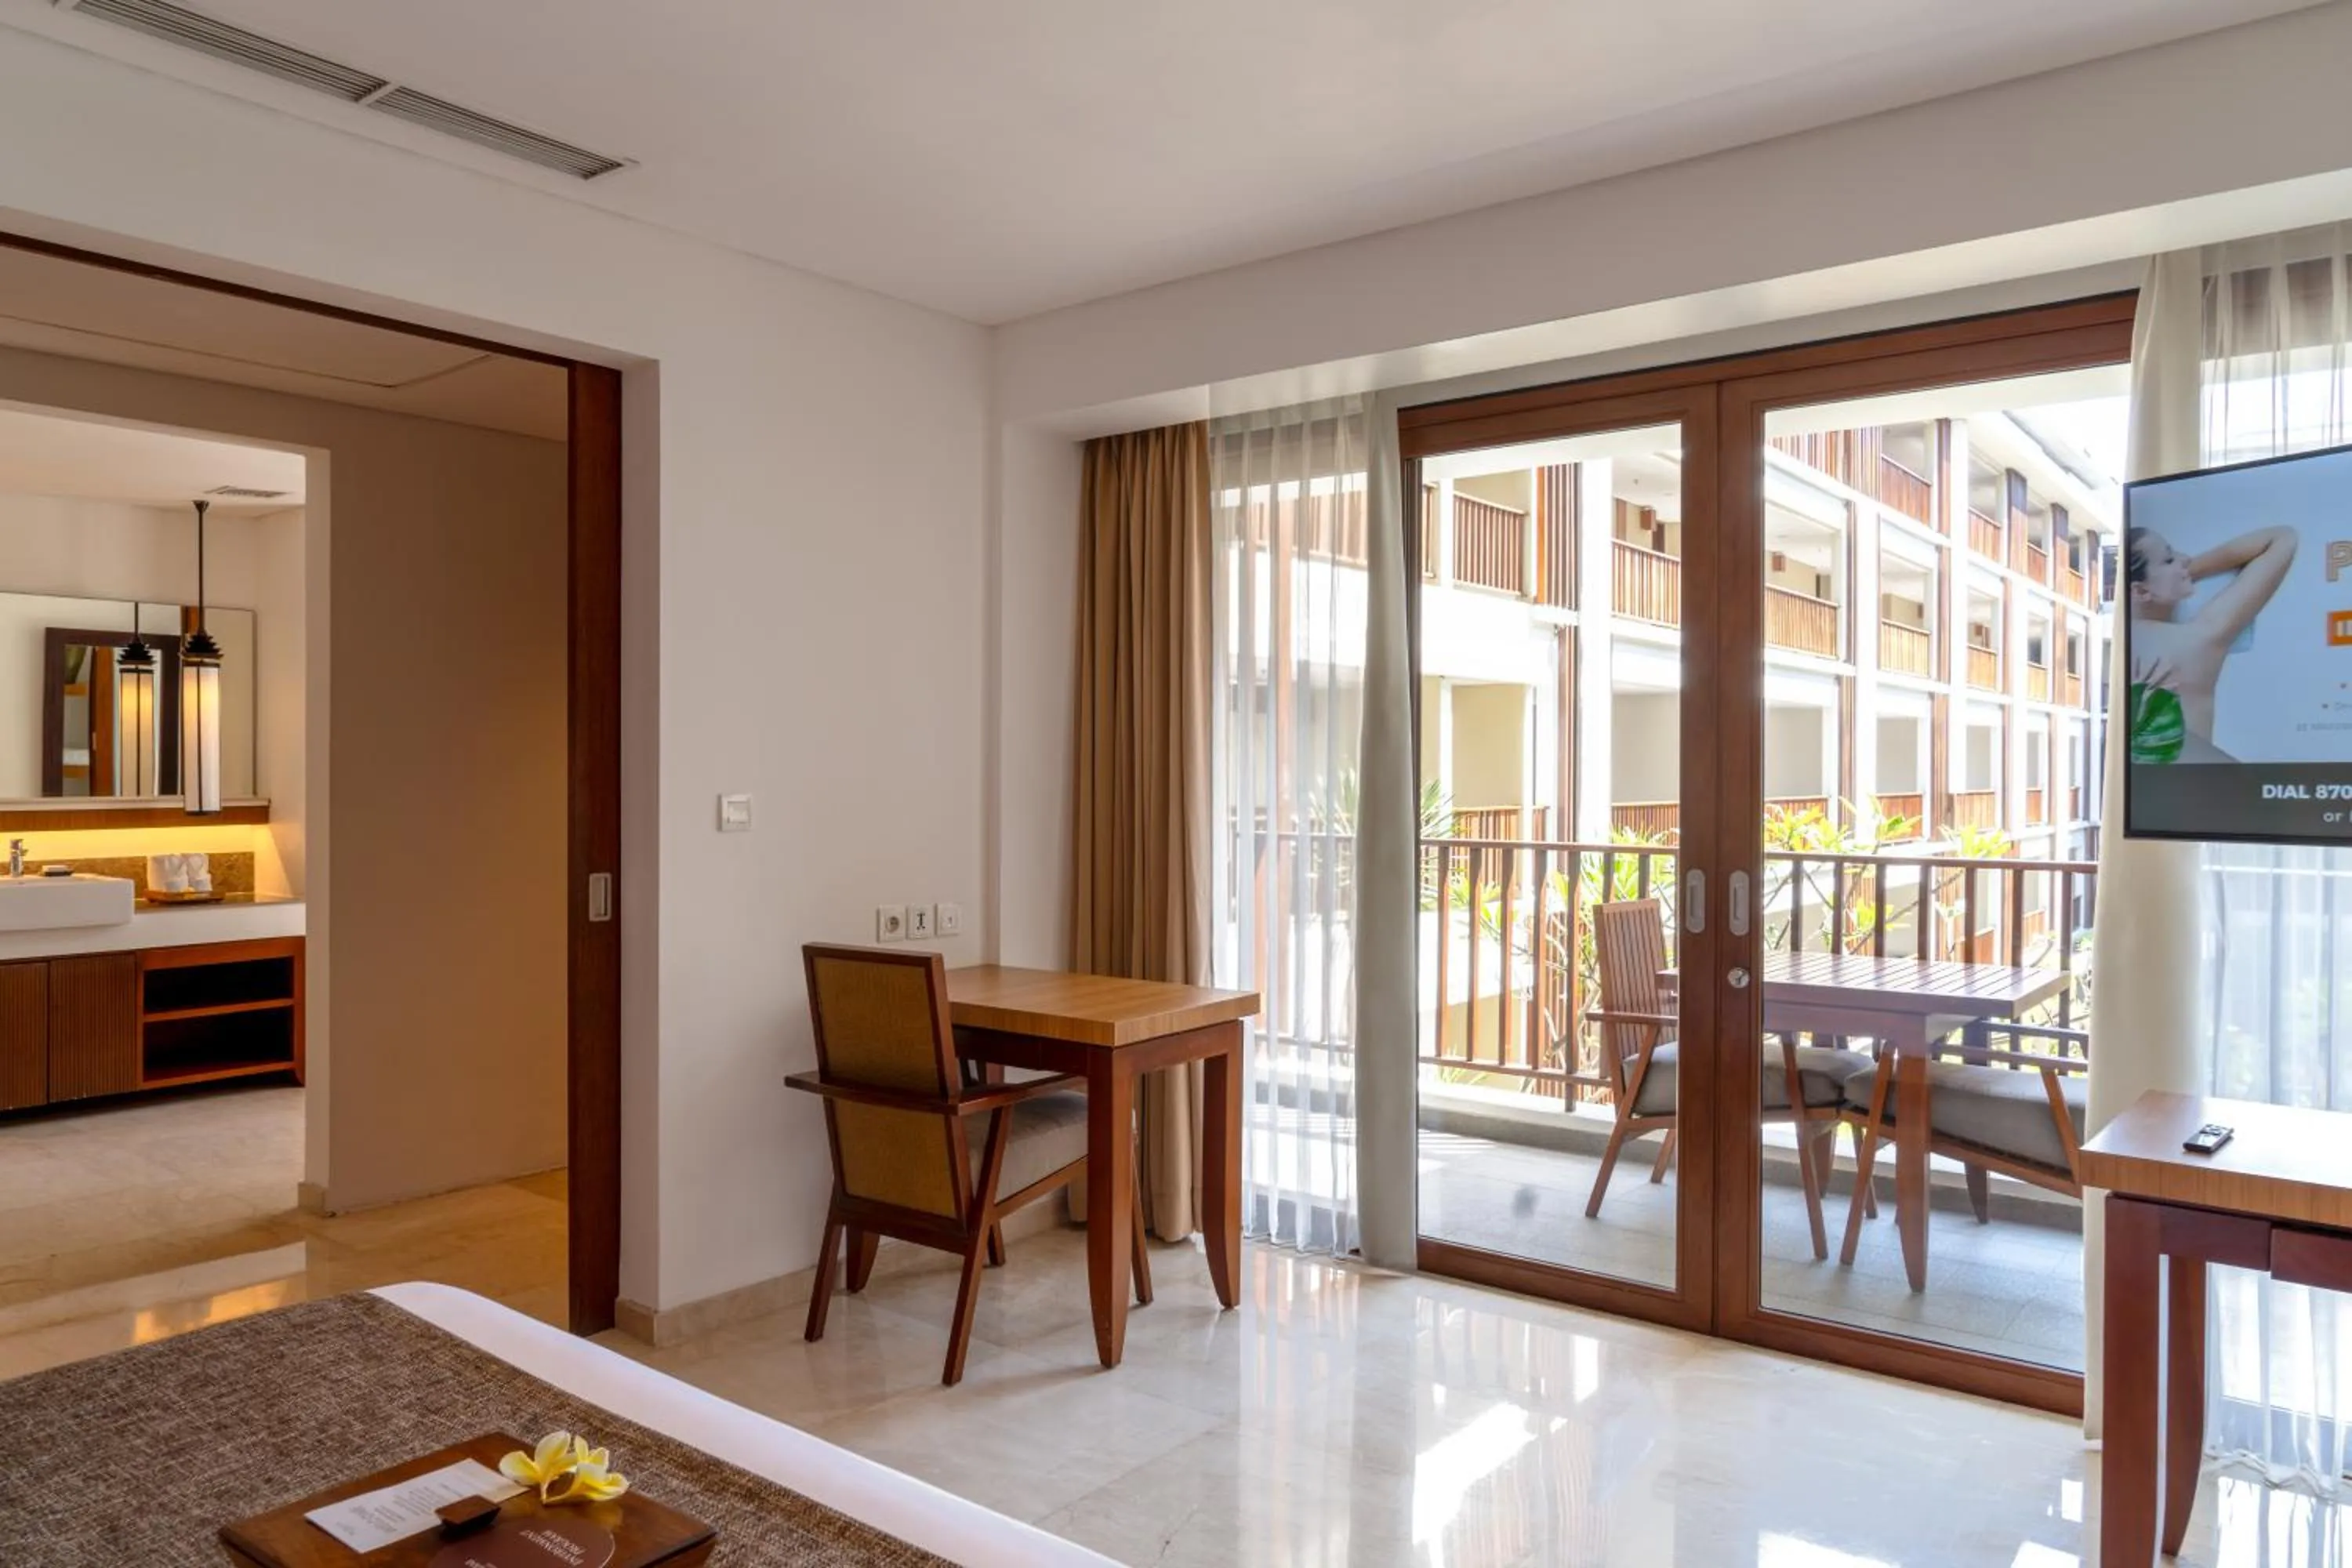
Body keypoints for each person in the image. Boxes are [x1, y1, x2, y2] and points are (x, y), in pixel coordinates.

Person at [2126, 523, 2296, 761]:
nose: (2184, 559)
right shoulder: (2195, 640)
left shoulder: (2116, 650)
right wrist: (2190, 572)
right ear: (2140, 590)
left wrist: (2170, 578)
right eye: (2168, 559)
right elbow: (2282, 538)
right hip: (2194, 789)